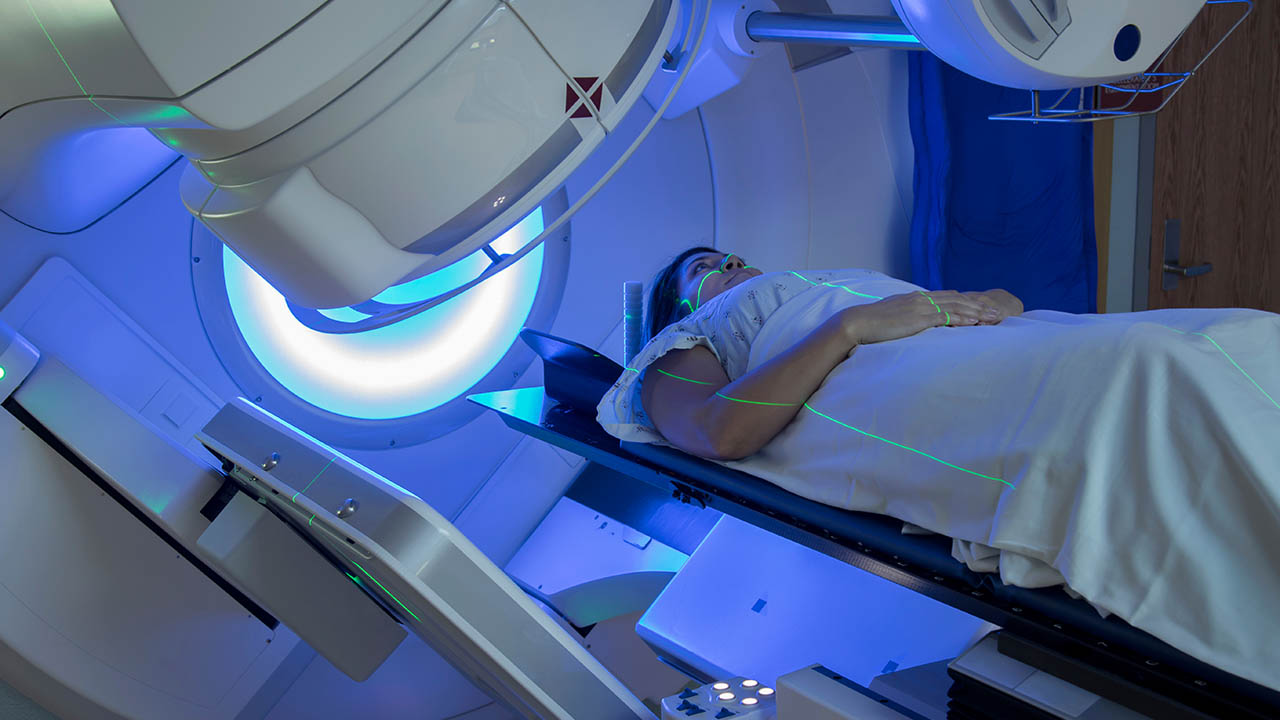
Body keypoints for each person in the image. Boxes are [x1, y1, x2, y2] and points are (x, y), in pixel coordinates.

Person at [636, 247, 1023, 460]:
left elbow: (1000, 302)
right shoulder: (680, 341)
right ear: (678, 314)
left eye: (728, 257)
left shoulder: (825, 283)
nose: (732, 260)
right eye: (701, 268)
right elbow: (718, 433)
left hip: (1004, 338)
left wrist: (991, 303)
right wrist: (850, 326)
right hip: (943, 372)